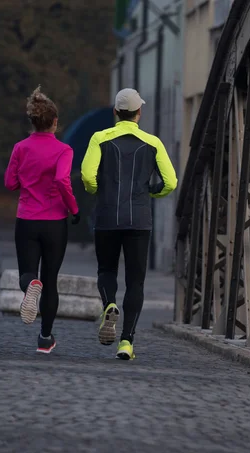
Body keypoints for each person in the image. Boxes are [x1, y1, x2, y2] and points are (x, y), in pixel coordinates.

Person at [81, 88, 177, 360]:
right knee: (136, 281)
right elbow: (170, 182)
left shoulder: (99, 138)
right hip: (139, 219)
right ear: (139, 113)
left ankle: (109, 304)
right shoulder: (153, 142)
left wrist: (97, 191)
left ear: (115, 112)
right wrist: (152, 192)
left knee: (106, 269)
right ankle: (126, 342)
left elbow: (88, 176)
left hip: (107, 215)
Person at [5, 86, 80, 354]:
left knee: (28, 273)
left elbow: (10, 183)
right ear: (55, 122)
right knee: (51, 278)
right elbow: (62, 180)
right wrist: (73, 208)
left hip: (26, 219)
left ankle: (30, 287)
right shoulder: (64, 150)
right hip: (55, 221)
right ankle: (45, 338)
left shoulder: (20, 148)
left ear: (33, 121)